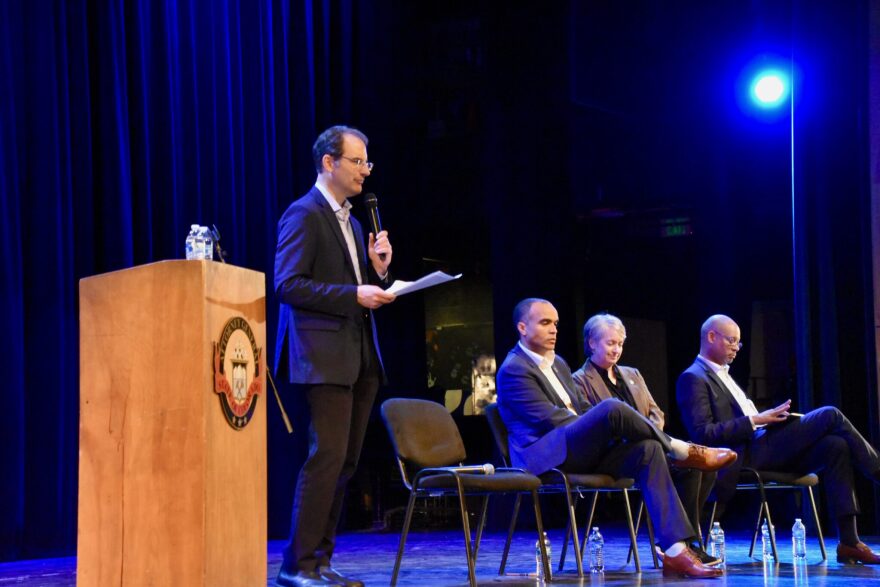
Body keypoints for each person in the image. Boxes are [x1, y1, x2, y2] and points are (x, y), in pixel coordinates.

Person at [496, 298, 736, 578]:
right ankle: (680, 449)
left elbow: (582, 411)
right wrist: (601, 427)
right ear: (523, 327)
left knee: (647, 449)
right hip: (547, 454)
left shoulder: (558, 364)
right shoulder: (514, 369)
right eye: (545, 322)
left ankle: (674, 550)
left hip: (578, 449)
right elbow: (552, 420)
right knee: (611, 408)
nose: (554, 329)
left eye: (556, 323)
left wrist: (603, 430)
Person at [273, 125, 395, 587]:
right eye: (357, 161)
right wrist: (355, 292)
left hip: (359, 356)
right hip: (322, 356)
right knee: (324, 458)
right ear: (330, 163)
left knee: (345, 463)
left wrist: (379, 272)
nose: (365, 170)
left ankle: (320, 561)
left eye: (367, 162)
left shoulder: (354, 221)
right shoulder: (304, 214)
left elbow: (362, 290)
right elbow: (288, 284)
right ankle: (296, 566)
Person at [676, 314, 880, 564]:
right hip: (744, 455)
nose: (736, 348)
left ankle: (849, 542)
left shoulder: (726, 376)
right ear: (711, 337)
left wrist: (768, 420)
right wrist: (755, 420)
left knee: (835, 446)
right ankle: (877, 470)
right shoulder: (693, 378)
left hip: (765, 444)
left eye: (738, 343)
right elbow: (702, 433)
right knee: (830, 414)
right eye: (731, 341)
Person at [572, 313, 717, 563]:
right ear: (592, 343)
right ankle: (677, 544)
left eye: (620, 343)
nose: (617, 349)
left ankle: (689, 542)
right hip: (617, 453)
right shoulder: (578, 381)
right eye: (610, 343)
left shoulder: (633, 374)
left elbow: (655, 412)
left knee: (695, 468)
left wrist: (650, 429)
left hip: (651, 446)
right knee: (657, 449)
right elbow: (588, 423)